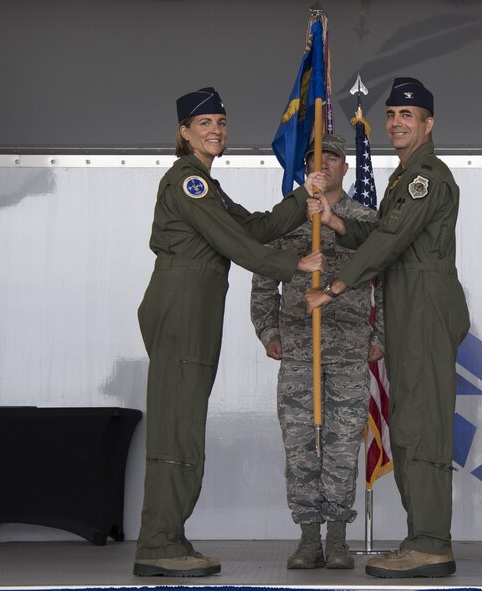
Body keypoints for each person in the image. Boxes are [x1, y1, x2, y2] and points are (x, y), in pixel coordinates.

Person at [133, 87, 326, 577]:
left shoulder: (206, 185)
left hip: (194, 305)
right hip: (183, 307)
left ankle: (169, 537)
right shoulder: (188, 183)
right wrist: (294, 264)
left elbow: (254, 227)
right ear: (183, 132)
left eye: (220, 121)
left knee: (183, 422)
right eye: (204, 123)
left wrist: (303, 197)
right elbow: (238, 244)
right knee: (177, 427)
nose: (216, 130)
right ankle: (159, 544)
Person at [306, 77, 470, 578]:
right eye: (392, 114)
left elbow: (390, 241)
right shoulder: (403, 178)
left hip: (424, 307)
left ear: (429, 123)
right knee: (411, 427)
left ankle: (430, 542)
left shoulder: (427, 177)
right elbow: (381, 233)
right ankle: (422, 536)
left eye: (408, 115)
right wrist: (337, 223)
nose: (397, 123)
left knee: (423, 428)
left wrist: (334, 287)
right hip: (409, 305)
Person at [251, 134, 385, 570]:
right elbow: (262, 279)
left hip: (348, 349)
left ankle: (340, 539)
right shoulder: (289, 216)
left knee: (343, 445)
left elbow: (385, 281)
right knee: (300, 444)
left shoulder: (365, 218)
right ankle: (309, 537)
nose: (324, 164)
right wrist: (268, 329)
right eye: (315, 158)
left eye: (334, 158)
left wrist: (379, 336)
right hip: (297, 347)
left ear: (347, 167)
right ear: (306, 166)